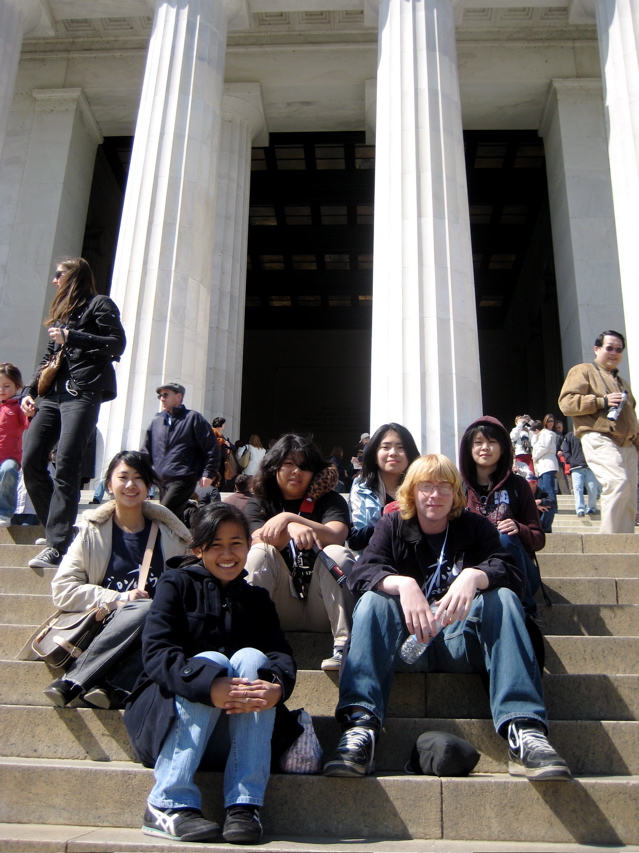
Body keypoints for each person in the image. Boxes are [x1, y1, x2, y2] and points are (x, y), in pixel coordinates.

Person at [323, 454, 570, 782]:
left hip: (460, 641)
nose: (435, 495)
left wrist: (474, 576)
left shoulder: (475, 526)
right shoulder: (393, 525)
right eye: (426, 486)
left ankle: (523, 729)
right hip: (405, 644)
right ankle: (360, 727)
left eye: (444, 486)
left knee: (504, 598)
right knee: (372, 601)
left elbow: (510, 570)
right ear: (411, 492)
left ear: (456, 494)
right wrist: (402, 583)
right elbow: (363, 571)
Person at [124, 503, 296, 845]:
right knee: (208, 660)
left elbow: (281, 656)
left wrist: (276, 689)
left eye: (236, 543)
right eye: (216, 545)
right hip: (167, 725)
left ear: (249, 546)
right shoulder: (174, 585)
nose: (227, 553)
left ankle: (244, 805)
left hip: (234, 731)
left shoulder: (258, 599)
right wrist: (208, 686)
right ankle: (167, 803)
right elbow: (157, 655)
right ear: (198, 549)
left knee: (251, 658)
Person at [42, 451, 190, 709]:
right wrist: (120, 598)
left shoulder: (173, 537)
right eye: (123, 477)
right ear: (109, 485)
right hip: (103, 627)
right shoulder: (92, 533)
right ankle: (101, 684)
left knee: (159, 616)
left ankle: (90, 683)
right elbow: (63, 589)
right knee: (147, 609)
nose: (131, 485)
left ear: (149, 487)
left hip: (157, 632)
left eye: (138, 478)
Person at [21, 258, 126, 569]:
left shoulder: (100, 304)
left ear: (74, 275)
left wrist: (74, 337)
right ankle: (57, 530)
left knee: (67, 463)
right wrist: (29, 392)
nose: (54, 280)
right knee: (31, 458)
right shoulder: (63, 313)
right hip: (52, 396)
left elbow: (117, 343)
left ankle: (56, 544)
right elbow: (49, 356)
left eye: (59, 274)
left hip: (82, 393)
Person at [244, 434, 355, 672]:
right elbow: (258, 538)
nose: (297, 471)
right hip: (280, 604)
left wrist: (289, 518)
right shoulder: (259, 503)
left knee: (337, 553)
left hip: (322, 605)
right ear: (274, 467)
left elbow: (336, 535)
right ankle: (251, 646)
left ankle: (344, 644)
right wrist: (292, 528)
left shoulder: (331, 501)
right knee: (260, 553)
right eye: (289, 464)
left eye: (305, 467)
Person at [459, 416, 545, 620]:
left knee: (504, 536)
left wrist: (519, 528)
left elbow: (538, 539)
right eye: (478, 443)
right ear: (469, 449)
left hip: (518, 573)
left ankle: (526, 610)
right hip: (476, 573)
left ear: (504, 448)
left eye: (492, 442)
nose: (485, 448)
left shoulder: (519, 486)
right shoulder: (458, 489)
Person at [559, 330, 639, 534]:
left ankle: (625, 545)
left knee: (629, 494)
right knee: (616, 482)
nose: (614, 353)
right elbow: (566, 403)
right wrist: (601, 401)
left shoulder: (622, 382)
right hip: (598, 435)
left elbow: (631, 419)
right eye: (609, 347)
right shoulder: (584, 370)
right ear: (597, 349)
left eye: (619, 349)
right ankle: (610, 541)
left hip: (628, 443)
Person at [142, 383, 220, 522]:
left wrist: (209, 472)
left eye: (166, 394)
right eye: (160, 395)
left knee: (163, 516)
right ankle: (182, 542)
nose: (162, 398)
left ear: (178, 397)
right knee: (173, 520)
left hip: (183, 477)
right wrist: (139, 473)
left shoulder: (193, 418)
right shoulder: (157, 422)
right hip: (162, 480)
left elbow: (211, 447)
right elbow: (146, 452)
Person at [348, 422, 420, 552]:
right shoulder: (361, 487)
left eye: (401, 447)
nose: (393, 453)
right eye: (385, 447)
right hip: (375, 561)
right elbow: (355, 541)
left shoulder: (421, 488)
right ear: (375, 456)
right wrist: (383, 515)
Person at [0, 363, 30, 526]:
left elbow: (28, 424)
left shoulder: (18, 406)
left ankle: (4, 513)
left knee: (8, 470)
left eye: (6, 386)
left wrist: (30, 413)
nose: (1, 390)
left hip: (9, 456)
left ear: (16, 386)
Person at [531, 414, 559, 533]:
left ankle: (546, 525)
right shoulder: (540, 435)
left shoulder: (546, 434)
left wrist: (535, 456)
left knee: (549, 496)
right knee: (543, 495)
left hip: (547, 465)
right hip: (542, 467)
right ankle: (543, 524)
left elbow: (545, 446)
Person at [561, 431, 598, 517]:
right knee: (578, 489)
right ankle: (580, 509)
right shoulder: (569, 435)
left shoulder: (590, 434)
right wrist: (570, 460)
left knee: (592, 488)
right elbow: (565, 450)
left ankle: (591, 508)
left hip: (590, 466)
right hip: (576, 467)